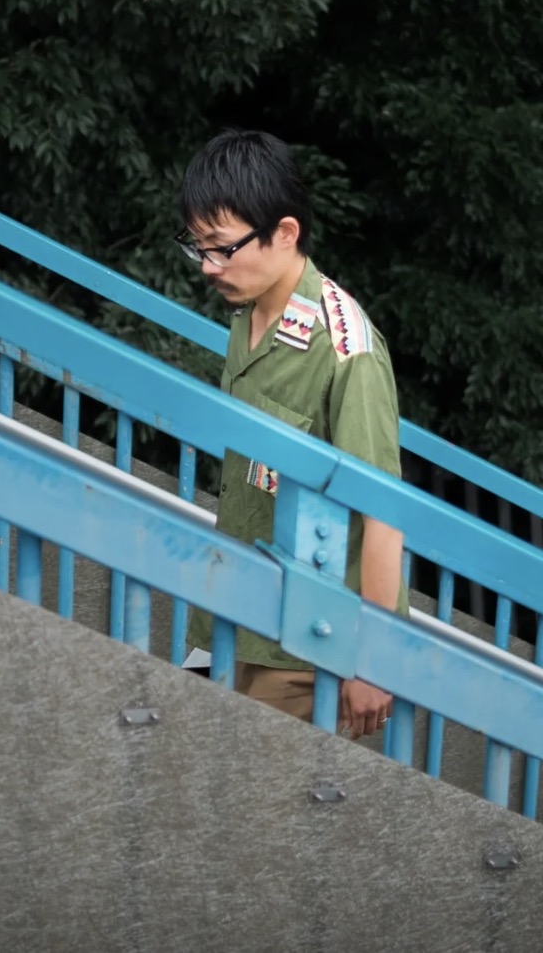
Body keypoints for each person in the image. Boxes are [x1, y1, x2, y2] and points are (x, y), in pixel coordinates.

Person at [176, 129, 407, 741]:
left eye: (222, 248)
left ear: (285, 232)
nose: (207, 267)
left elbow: (383, 514)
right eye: (198, 248)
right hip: (232, 612)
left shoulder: (347, 351)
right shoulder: (246, 315)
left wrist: (372, 659)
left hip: (307, 646)